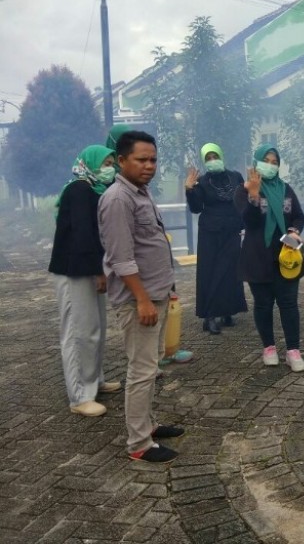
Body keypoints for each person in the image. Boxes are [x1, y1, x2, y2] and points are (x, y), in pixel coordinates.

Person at [98, 130, 185, 463]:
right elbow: (121, 258)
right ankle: (138, 443)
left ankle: (147, 426)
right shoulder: (118, 199)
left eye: (153, 160)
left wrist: (167, 288)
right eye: (142, 160)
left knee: (151, 367)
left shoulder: (141, 193)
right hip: (139, 300)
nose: (149, 166)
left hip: (156, 292)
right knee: (142, 370)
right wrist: (143, 300)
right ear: (121, 161)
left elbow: (152, 244)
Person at [48, 145, 121, 417]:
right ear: (89, 163)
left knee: (96, 328)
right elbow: (83, 234)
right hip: (74, 270)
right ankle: (79, 396)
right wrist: (97, 271)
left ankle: (95, 381)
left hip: (88, 267)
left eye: (112, 162)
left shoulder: (93, 189)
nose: (110, 167)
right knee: (80, 333)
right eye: (105, 162)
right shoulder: (79, 189)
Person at [234, 145, 304, 372]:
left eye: (275, 161)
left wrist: (295, 230)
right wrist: (254, 195)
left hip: (286, 256)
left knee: (288, 304)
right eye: (266, 160)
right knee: (264, 304)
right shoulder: (242, 191)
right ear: (257, 162)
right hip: (257, 256)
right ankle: (269, 347)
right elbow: (249, 222)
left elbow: (298, 215)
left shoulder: (286, 189)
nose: (271, 165)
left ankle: (293, 350)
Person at [185, 143, 247, 334]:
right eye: (208, 158)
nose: (212, 161)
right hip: (210, 233)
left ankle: (228, 311)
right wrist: (189, 189)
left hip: (232, 231)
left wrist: (245, 225)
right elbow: (196, 208)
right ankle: (210, 315)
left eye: (215, 156)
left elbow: (243, 201)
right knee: (210, 272)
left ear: (221, 156)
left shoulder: (236, 176)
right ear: (205, 161)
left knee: (230, 272)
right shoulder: (202, 181)